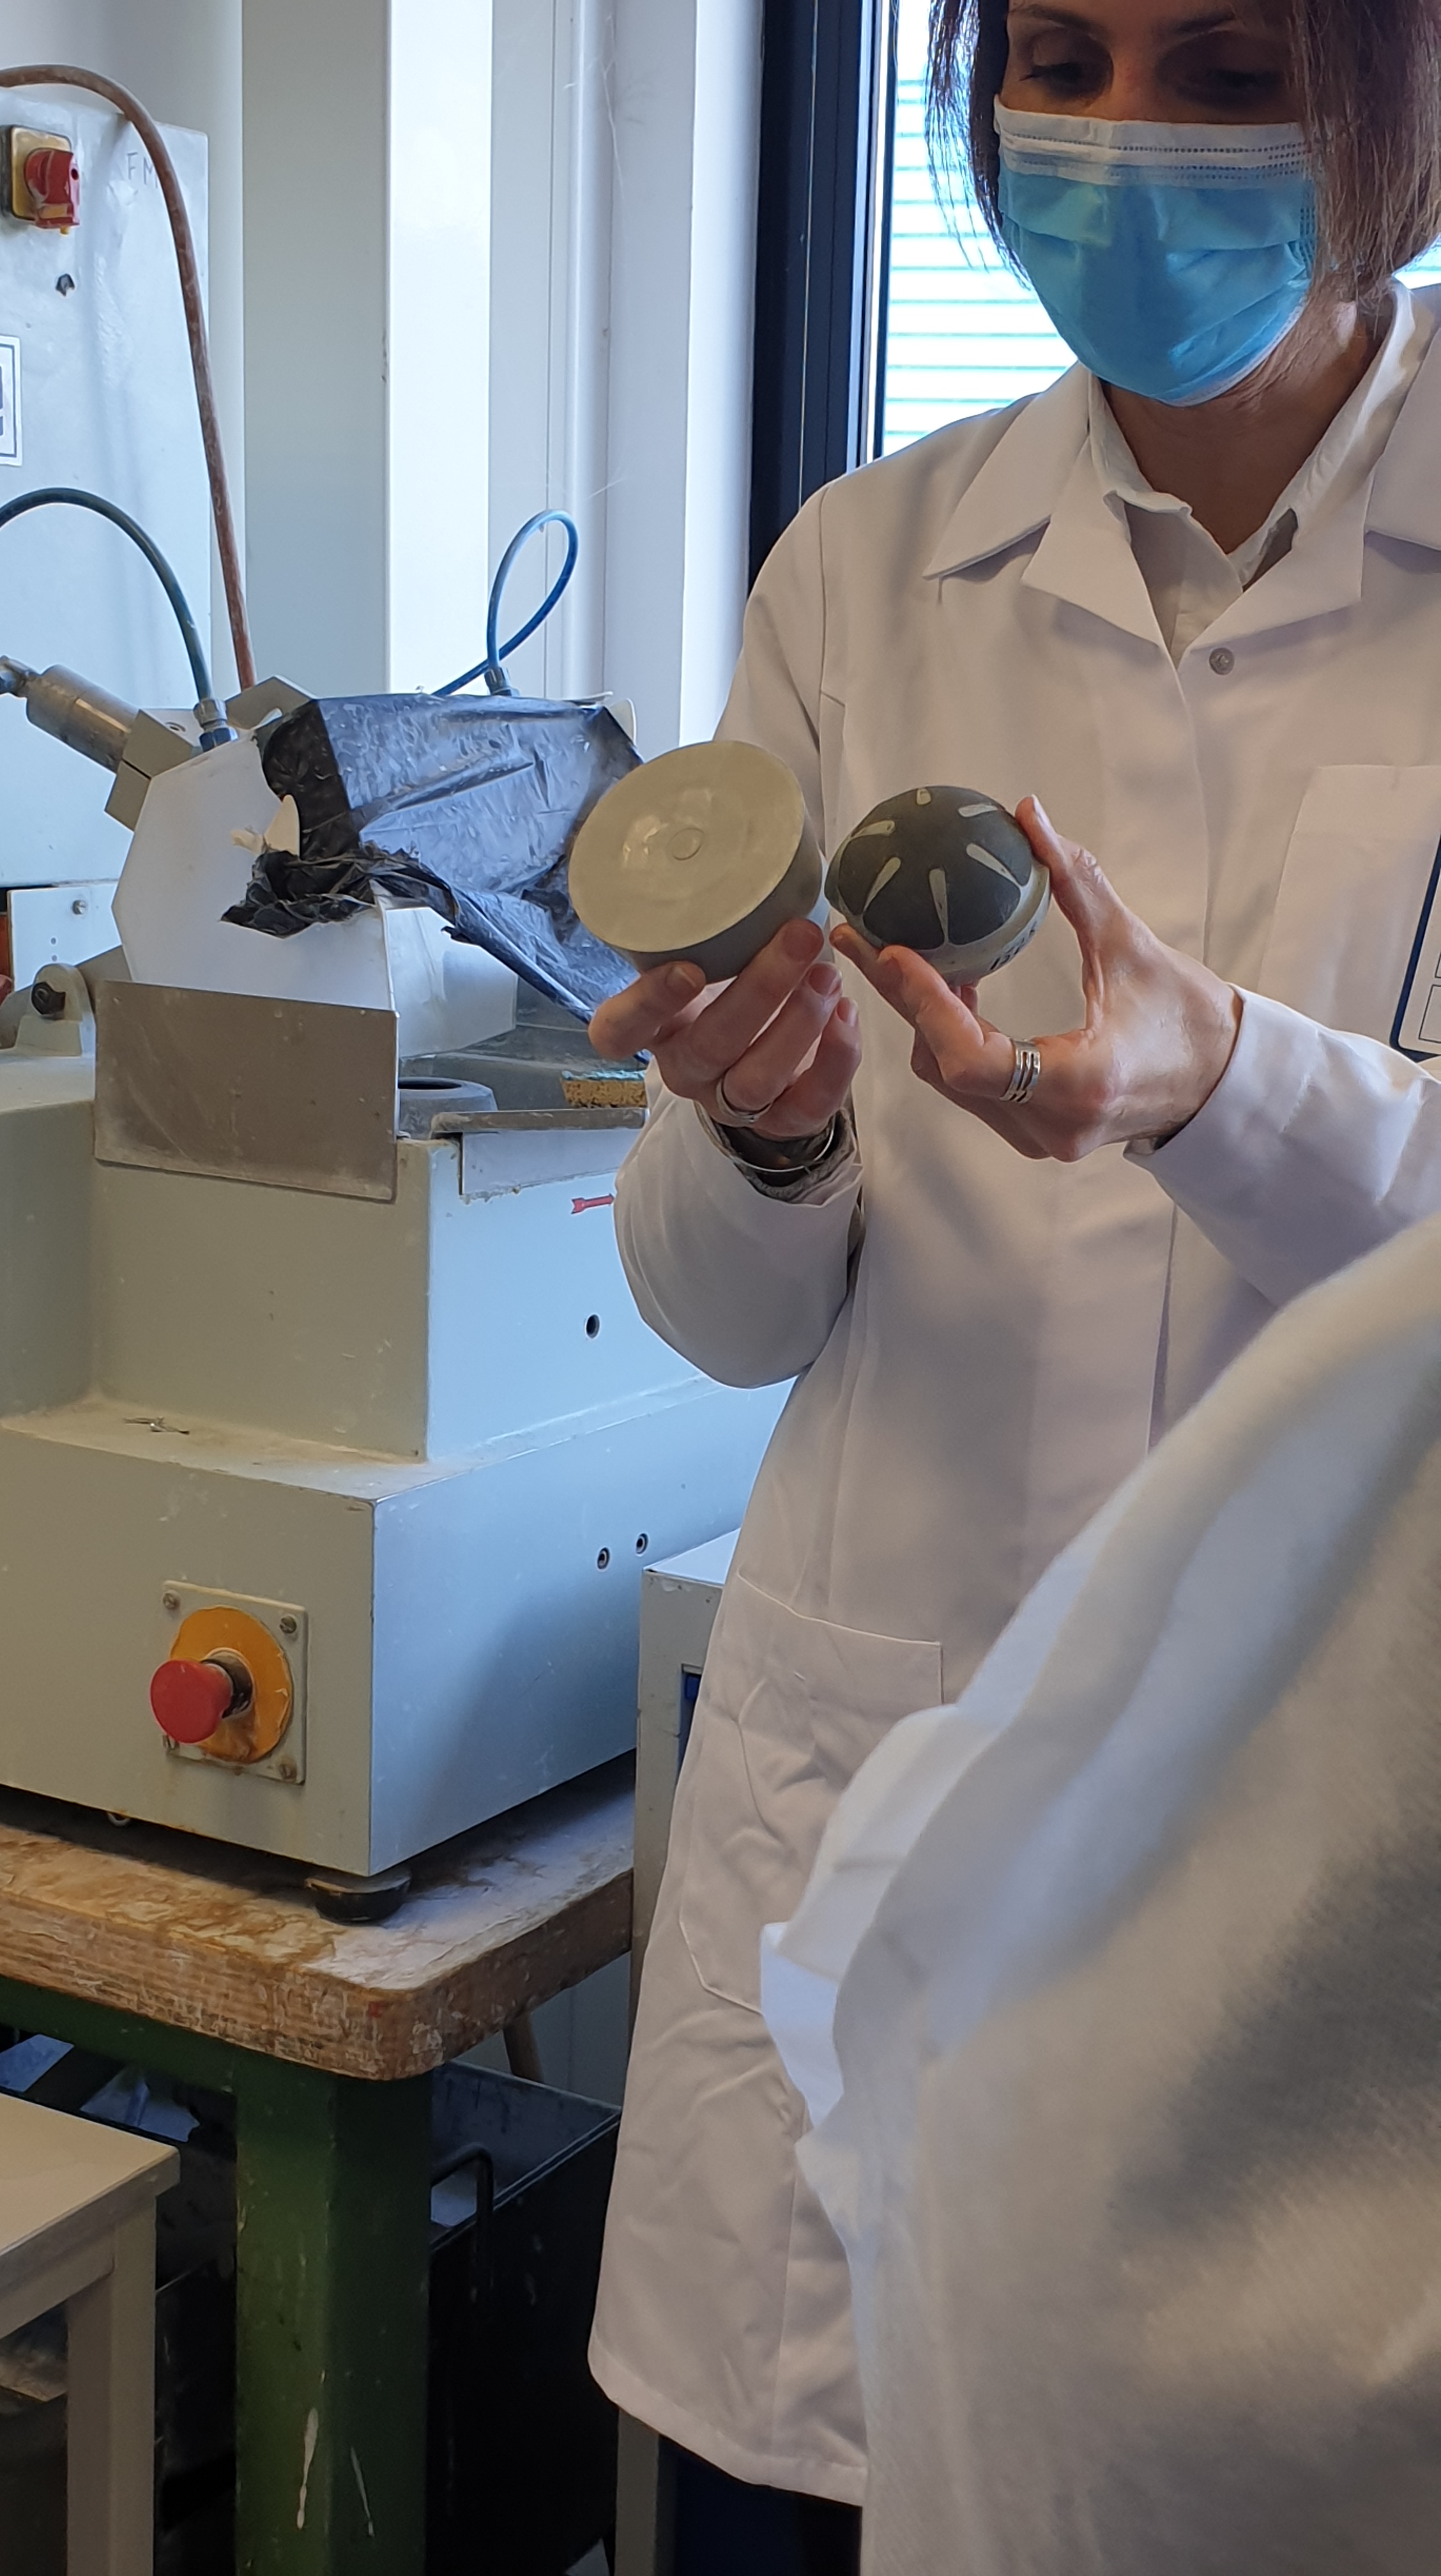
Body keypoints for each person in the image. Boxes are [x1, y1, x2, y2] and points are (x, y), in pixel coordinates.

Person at [588, 0, 1441, 2556]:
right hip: (884, 1785)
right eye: (1055, 55)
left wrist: (1232, 1087)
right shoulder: (867, 569)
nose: (1118, 137)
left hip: (1325, 1858)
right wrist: (763, 1121)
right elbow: (730, 1316)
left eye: (1224, 68)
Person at [761, 1209, 1441, 2576]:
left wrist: (1230, 1107)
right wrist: (768, 1152)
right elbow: (722, 1313)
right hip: (886, 1753)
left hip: (1283, 1910)